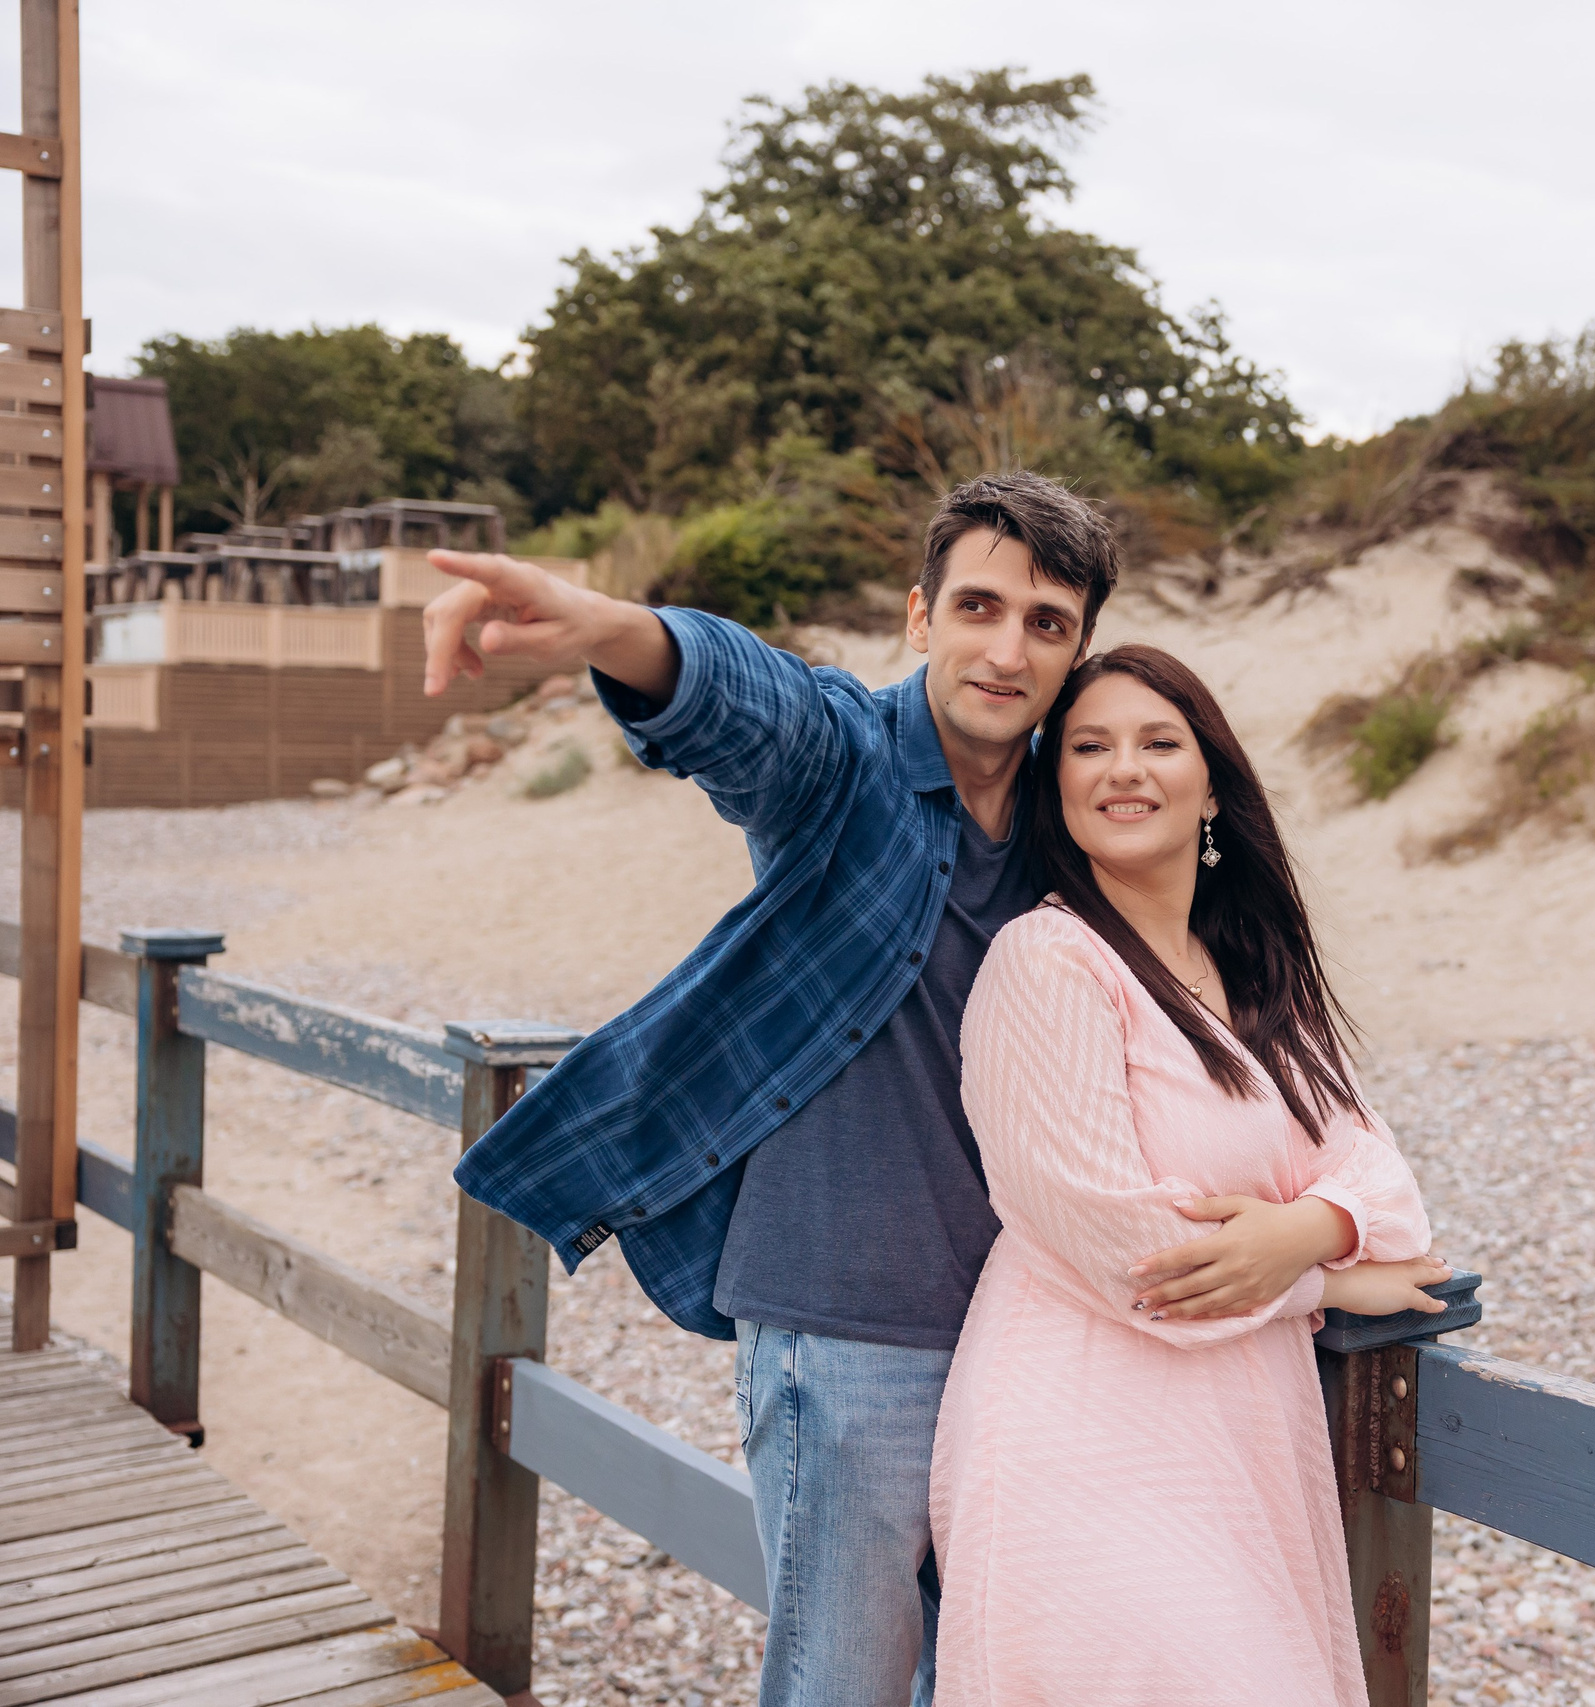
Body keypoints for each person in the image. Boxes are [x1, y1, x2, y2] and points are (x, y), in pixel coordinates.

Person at [422, 475, 1363, 1707]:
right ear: (921, 617)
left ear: (1075, 649)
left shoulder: (1066, 820)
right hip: (843, 1332)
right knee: (843, 1683)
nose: (1005, 646)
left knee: (981, 1676)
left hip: (1030, 1342)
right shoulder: (845, 766)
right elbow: (751, 703)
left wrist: (1313, 1227)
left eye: (1045, 622)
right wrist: (611, 630)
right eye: (978, 606)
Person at [932, 643, 1453, 1705]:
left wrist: (1303, 1233)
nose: (1124, 768)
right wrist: (1324, 1281)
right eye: (1089, 747)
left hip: (1245, 1440)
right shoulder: (1048, 963)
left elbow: (1382, 1180)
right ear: (1057, 784)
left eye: (1157, 742)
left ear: (1210, 782)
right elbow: (1122, 1241)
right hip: (1080, 1437)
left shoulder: (1258, 975)